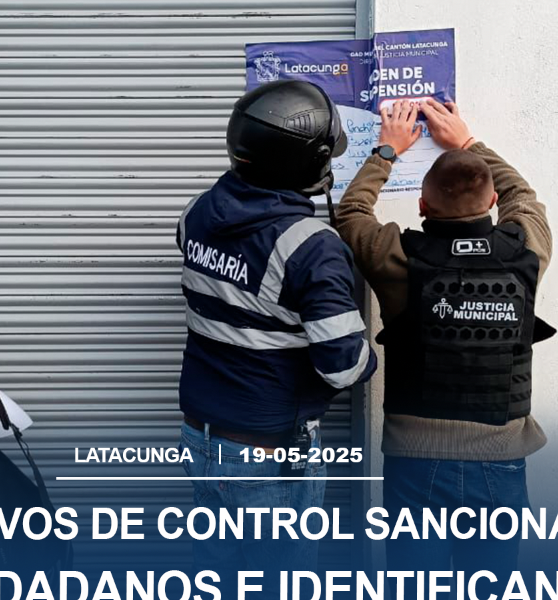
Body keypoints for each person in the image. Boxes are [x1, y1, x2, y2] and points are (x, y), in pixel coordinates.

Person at [335, 99, 555, 590]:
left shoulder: (396, 257)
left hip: (416, 464)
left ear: (422, 206)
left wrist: (387, 151)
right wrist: (468, 143)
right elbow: (523, 196)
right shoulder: (527, 251)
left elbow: (350, 213)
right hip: (500, 461)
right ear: (492, 200)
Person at [176, 80, 377, 590]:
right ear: (308, 164)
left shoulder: (196, 214)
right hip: (266, 455)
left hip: (201, 439)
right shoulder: (311, 246)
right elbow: (343, 367)